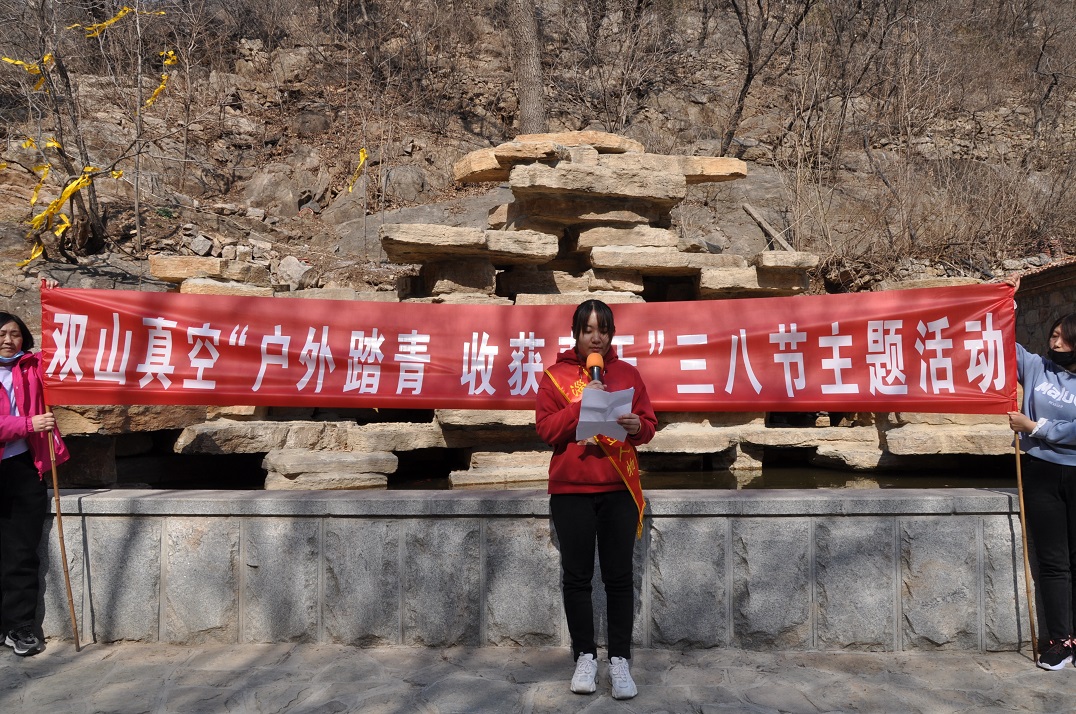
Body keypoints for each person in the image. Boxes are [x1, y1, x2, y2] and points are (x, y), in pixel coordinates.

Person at [535, 299, 657, 699]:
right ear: (575, 334)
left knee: (619, 577)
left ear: (611, 334)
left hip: (618, 490)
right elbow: (546, 430)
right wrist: (580, 405)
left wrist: (638, 426)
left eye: (602, 330)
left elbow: (648, 425)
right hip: (571, 491)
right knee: (577, 578)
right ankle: (585, 656)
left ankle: (619, 659)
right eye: (588, 330)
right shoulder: (554, 377)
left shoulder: (628, 374)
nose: (596, 338)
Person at [1005, 276, 1076, 669]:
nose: (1056, 343)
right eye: (1054, 335)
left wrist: (1035, 427)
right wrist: (1006, 303)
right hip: (1040, 473)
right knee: (1053, 561)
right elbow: (1001, 346)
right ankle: (1061, 640)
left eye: (1065, 339)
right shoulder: (1036, 367)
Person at [0, 307, 69, 656]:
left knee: (21, 553)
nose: (8, 340)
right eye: (1, 334)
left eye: (15, 334)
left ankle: (18, 627)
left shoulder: (32, 366)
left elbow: (65, 348)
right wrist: (28, 424)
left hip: (24, 469)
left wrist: (56, 300)